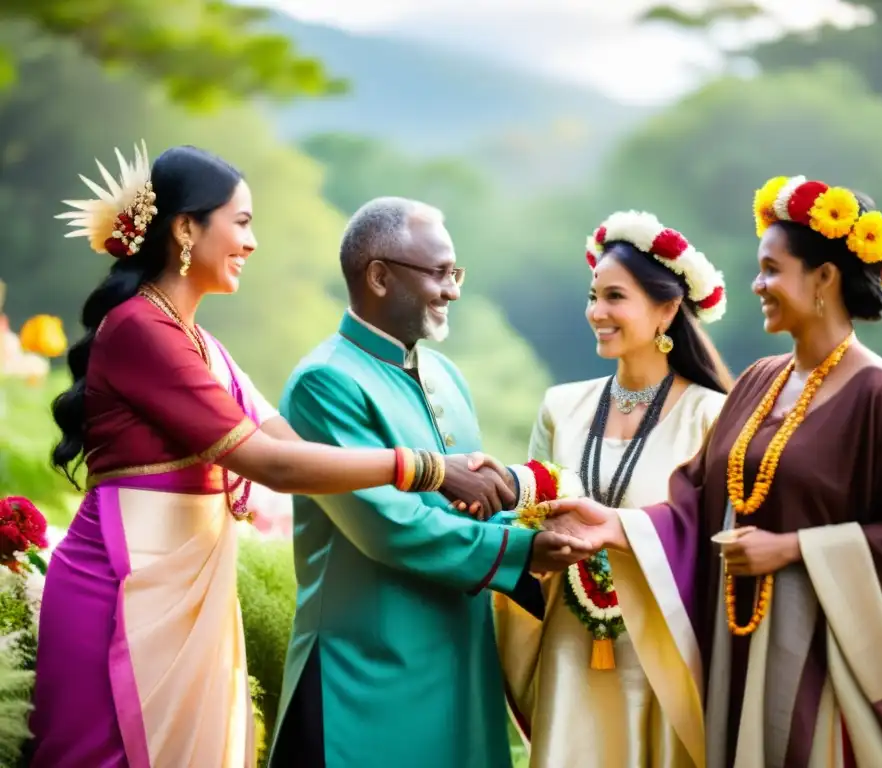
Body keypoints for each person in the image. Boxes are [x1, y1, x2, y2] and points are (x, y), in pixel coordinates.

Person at [32, 146, 564, 767]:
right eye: (242, 221)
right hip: (123, 583)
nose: (252, 242)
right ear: (185, 228)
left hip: (181, 588)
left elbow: (299, 450)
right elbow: (274, 466)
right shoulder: (139, 330)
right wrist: (428, 468)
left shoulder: (201, 344)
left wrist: (497, 492)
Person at [543, 176, 882, 767]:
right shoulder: (759, 381)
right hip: (740, 649)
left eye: (772, 270)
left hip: (825, 657)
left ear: (824, 277)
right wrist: (613, 527)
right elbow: (694, 501)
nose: (758, 284)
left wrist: (792, 548)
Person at [266, 197, 594, 768]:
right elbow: (389, 526)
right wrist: (524, 548)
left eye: (455, 272)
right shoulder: (326, 382)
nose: (453, 290)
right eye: (440, 273)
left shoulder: (446, 375)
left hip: (460, 659)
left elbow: (472, 508)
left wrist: (542, 522)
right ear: (379, 276)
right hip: (367, 670)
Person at [495, 211, 731, 768]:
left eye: (615, 297)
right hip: (568, 649)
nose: (596, 312)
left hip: (663, 655)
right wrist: (503, 490)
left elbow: (717, 541)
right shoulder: (561, 407)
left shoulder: (711, 415)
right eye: (592, 295)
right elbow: (534, 509)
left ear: (667, 310)